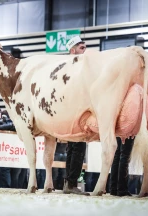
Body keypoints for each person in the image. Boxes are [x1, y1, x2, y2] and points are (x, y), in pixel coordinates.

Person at [62, 36, 89, 195]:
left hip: (70, 109)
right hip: (75, 108)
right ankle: (71, 184)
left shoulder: (67, 66)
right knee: (78, 146)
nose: (84, 49)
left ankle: (68, 183)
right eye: (80, 47)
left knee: (72, 147)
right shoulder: (75, 66)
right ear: (72, 50)